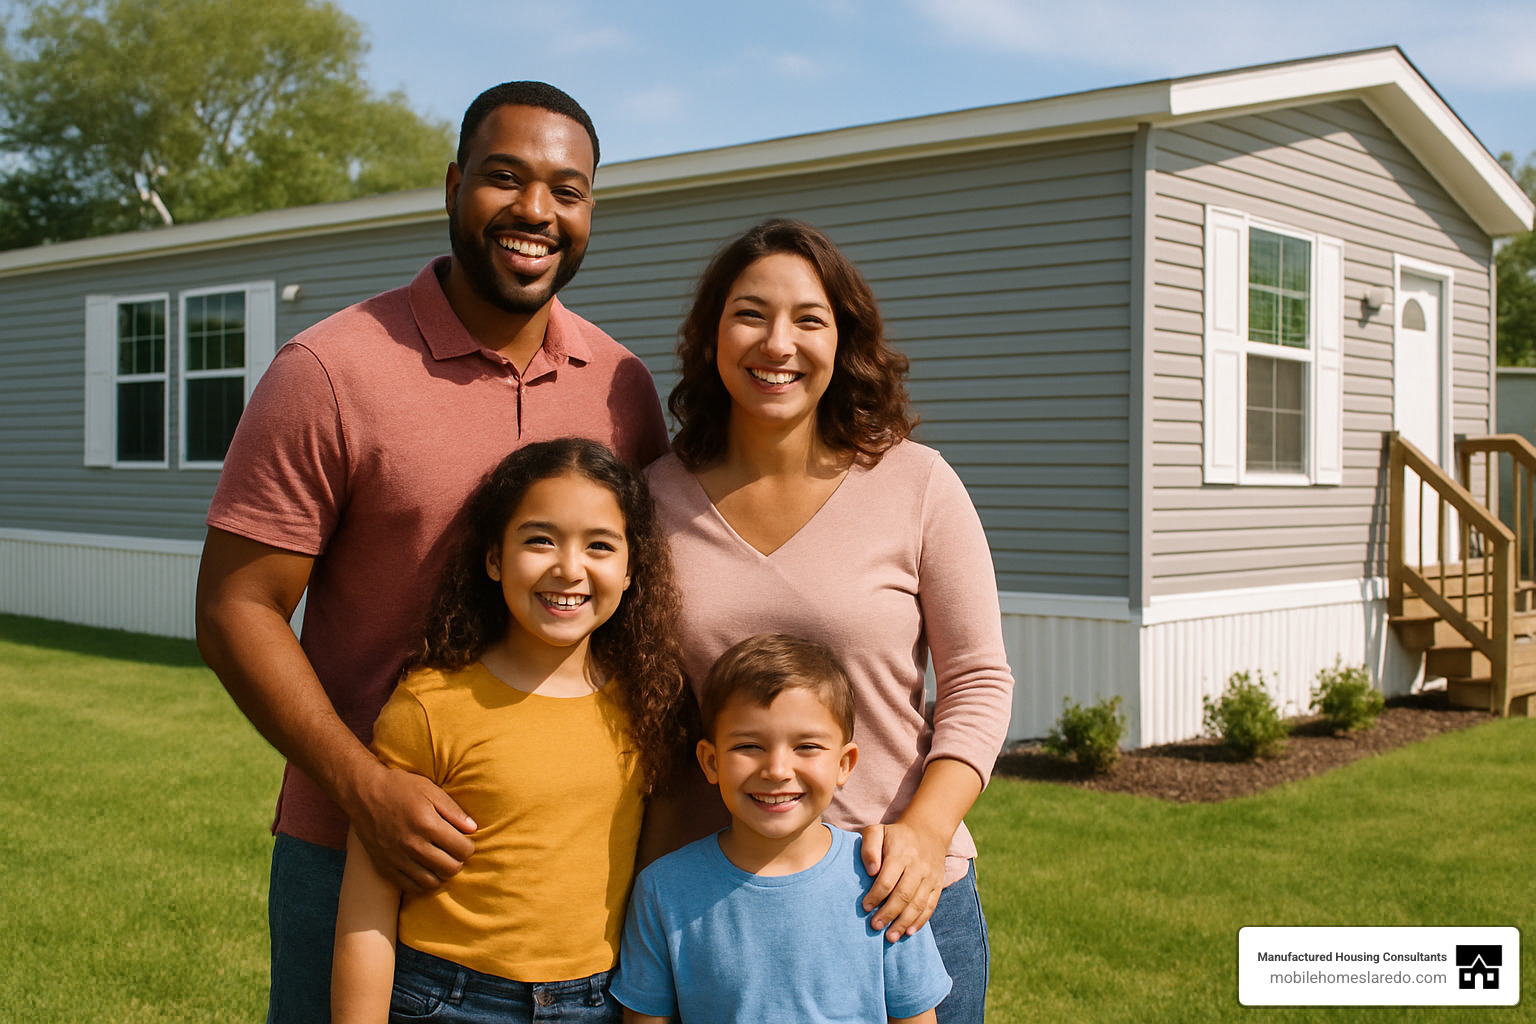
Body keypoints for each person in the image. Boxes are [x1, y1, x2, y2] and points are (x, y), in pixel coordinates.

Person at [195, 82, 670, 1023]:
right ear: (454, 187)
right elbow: (235, 607)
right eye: (505, 178)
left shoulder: (622, 387)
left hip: (565, 884)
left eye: (567, 191)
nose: (536, 211)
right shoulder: (329, 372)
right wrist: (364, 783)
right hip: (350, 851)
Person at [644, 219, 1014, 1023]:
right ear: (711, 335)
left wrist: (924, 829)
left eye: (808, 319)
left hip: (899, 898)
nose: (778, 342)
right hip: (719, 911)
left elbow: (979, 679)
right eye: (750, 313)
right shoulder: (652, 503)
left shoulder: (917, 484)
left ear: (841, 340)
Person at [332, 438, 686, 1024]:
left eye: (599, 546)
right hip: (445, 999)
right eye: (540, 539)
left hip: (597, 1001)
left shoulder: (648, 704)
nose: (569, 567)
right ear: (494, 559)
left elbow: (653, 893)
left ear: (630, 571)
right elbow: (366, 914)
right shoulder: (431, 704)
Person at [612, 633, 951, 1024]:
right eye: (748, 747)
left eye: (806, 747)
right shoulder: (663, 891)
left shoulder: (882, 883)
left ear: (844, 764)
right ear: (710, 761)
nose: (776, 770)